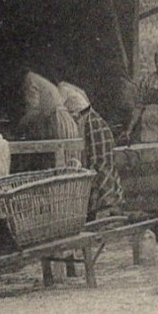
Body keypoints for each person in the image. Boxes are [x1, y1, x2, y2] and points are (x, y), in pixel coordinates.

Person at [60, 82, 124, 219]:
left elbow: (61, 113)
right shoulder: (72, 88)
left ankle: (107, 207)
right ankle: (105, 207)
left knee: (99, 164)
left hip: (90, 123)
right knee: (99, 163)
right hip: (93, 121)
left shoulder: (62, 89)